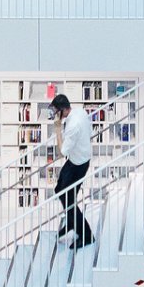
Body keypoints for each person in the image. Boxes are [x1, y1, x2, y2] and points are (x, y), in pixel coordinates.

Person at [50, 93, 94, 249]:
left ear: (63, 110)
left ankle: (86, 235)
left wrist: (57, 130)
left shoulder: (72, 126)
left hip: (78, 164)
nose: (55, 115)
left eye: (56, 111)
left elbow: (62, 151)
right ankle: (71, 221)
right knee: (60, 189)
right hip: (77, 159)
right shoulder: (79, 112)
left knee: (68, 200)